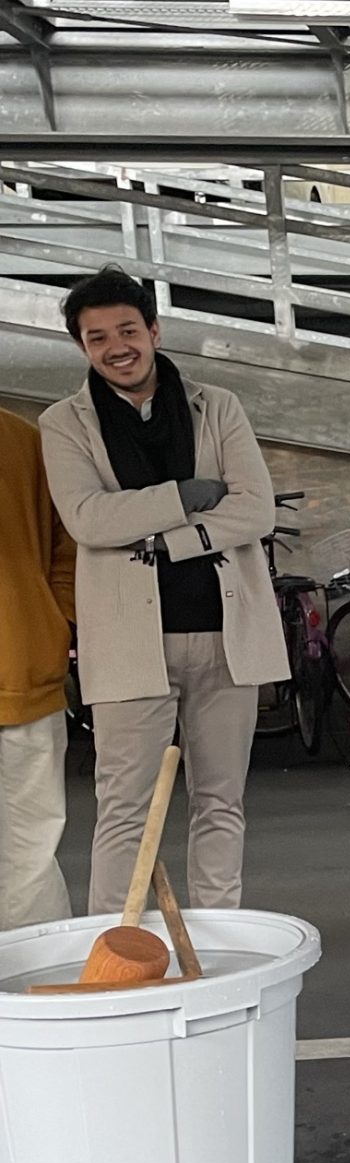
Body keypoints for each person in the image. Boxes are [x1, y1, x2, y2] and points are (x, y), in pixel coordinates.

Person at [40, 269, 286, 912]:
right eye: (97, 338)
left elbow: (256, 511)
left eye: (128, 329)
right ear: (82, 347)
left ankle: (219, 943)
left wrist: (165, 539)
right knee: (123, 810)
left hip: (226, 637)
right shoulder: (64, 423)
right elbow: (88, 520)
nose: (116, 346)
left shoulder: (218, 405)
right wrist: (186, 497)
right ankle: (116, 957)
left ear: (153, 329)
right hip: (128, 646)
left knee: (220, 802)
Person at [0, 405, 76, 929]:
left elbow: (67, 550)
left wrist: (56, 622)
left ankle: (32, 998)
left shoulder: (27, 442)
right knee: (28, 857)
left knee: (28, 859)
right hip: (25, 671)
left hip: (23, 674)